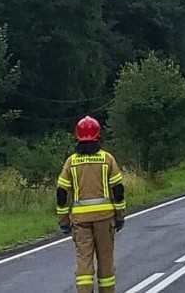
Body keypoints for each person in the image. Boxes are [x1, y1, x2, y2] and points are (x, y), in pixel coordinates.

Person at [56, 115, 126, 292]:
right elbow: (118, 191)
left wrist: (64, 221)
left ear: (77, 137)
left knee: (84, 264)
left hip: (80, 221)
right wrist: (119, 217)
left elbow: (62, 193)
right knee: (106, 262)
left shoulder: (71, 162)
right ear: (98, 136)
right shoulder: (107, 159)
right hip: (105, 219)